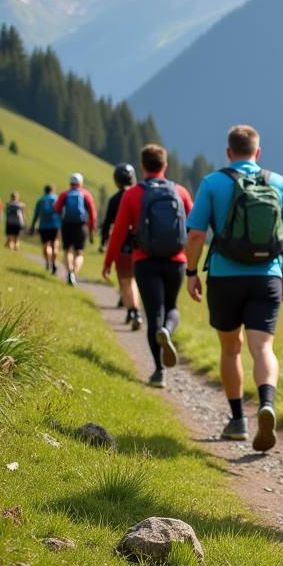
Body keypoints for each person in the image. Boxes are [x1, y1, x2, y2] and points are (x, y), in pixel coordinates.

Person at [185, 126, 283, 451]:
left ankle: (237, 420)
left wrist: (191, 271)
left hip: (224, 276)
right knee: (263, 348)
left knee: (230, 348)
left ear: (228, 152)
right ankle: (267, 403)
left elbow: (195, 235)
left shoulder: (213, 182)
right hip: (268, 276)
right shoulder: (277, 182)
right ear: (257, 152)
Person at [103, 144, 192, 388]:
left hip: (144, 260)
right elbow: (193, 227)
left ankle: (159, 372)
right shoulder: (180, 192)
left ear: (142, 166)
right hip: (176, 261)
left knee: (154, 313)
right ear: (165, 166)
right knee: (172, 307)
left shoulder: (132, 194)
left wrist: (109, 261)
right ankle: (168, 330)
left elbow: (120, 231)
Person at [101, 163, 143, 330]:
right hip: (141, 244)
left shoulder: (115, 200)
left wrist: (104, 241)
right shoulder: (138, 195)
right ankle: (134, 311)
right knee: (133, 280)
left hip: (122, 245)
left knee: (125, 281)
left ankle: (132, 311)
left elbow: (107, 224)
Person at [54, 172, 97, 286]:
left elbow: (57, 208)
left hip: (67, 225)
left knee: (67, 250)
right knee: (79, 253)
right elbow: (92, 214)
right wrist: (92, 229)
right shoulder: (86, 194)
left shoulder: (65, 194)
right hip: (81, 226)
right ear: (81, 183)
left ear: (70, 183)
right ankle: (73, 273)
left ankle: (69, 273)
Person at [30, 184, 61, 273]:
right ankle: (54, 262)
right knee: (55, 244)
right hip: (55, 225)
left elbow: (36, 214)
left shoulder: (41, 200)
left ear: (45, 190)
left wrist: (32, 226)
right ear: (53, 190)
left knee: (46, 244)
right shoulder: (56, 199)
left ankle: (48, 263)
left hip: (43, 226)